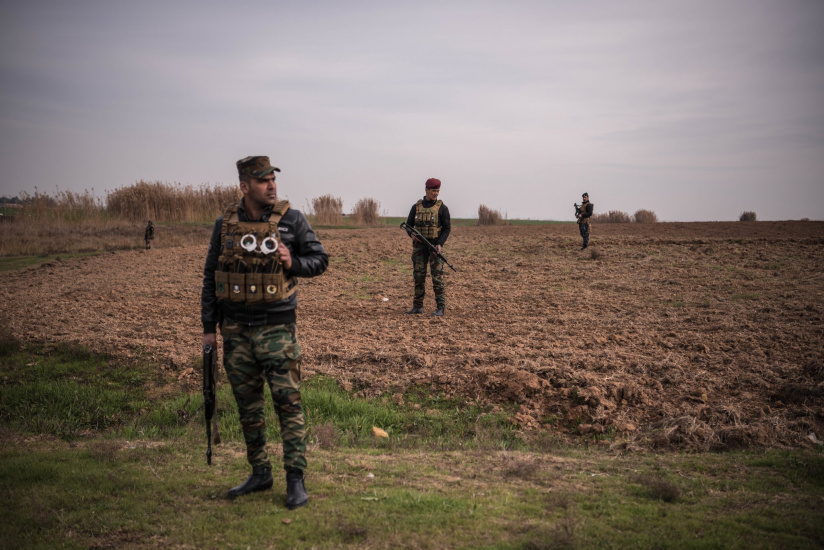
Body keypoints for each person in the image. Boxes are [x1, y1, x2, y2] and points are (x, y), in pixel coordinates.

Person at [201, 155, 328, 508]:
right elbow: (211, 277)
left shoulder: (292, 220)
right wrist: (208, 329)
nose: (271, 185)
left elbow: (320, 260)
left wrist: (293, 262)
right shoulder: (224, 226)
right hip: (236, 330)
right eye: (262, 180)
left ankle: (295, 480)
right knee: (248, 407)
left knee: (288, 405)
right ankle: (260, 472)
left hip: (277, 330)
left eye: (273, 178)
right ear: (244, 186)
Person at [404, 178, 451, 316]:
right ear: (426, 190)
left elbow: (447, 228)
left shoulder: (442, 208)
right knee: (418, 277)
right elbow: (408, 225)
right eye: (433, 191)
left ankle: (440, 307)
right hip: (419, 248)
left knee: (437, 278)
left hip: (434, 248)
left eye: (437, 191)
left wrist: (439, 244)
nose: (435, 194)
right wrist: (411, 235)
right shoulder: (416, 207)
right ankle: (417, 307)